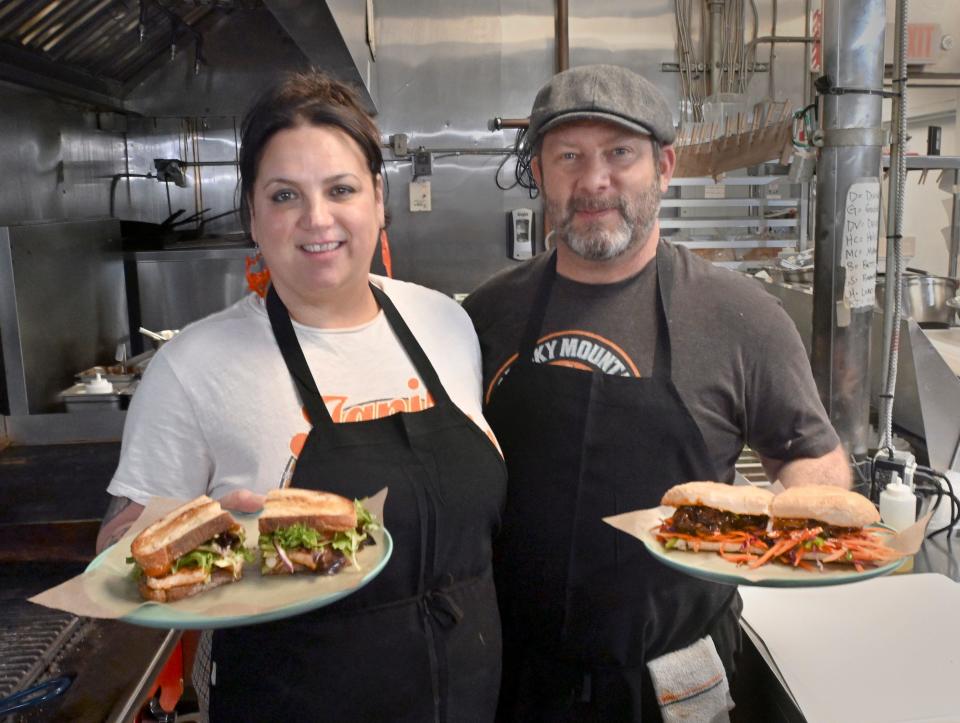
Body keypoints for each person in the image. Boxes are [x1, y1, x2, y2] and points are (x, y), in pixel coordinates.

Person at [97, 70, 506, 722]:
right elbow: (118, 554)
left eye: (341, 189)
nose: (317, 219)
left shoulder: (445, 324)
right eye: (285, 195)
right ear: (253, 214)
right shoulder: (192, 366)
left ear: (378, 197)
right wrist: (181, 534)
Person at [463, 64, 851, 721]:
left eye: (620, 153)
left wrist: (784, 518)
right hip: (518, 674)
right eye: (568, 157)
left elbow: (812, 458)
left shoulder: (740, 316)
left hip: (678, 677)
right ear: (539, 174)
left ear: (664, 166)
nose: (593, 181)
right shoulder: (484, 315)